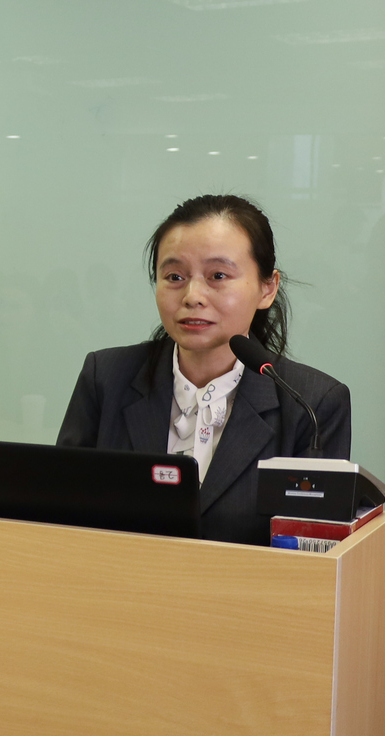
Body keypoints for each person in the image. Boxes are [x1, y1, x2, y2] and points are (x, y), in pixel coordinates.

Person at [56, 194, 351, 546]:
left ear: (267, 288)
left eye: (218, 275)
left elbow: (310, 552)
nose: (192, 296)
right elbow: (60, 514)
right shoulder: (106, 378)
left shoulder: (312, 405)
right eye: (175, 276)